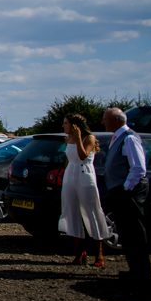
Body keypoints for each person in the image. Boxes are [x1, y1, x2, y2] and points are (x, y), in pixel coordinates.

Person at [102, 107, 150, 285]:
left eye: (105, 119)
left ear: (116, 120)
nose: (103, 122)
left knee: (135, 232)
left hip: (128, 191)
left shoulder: (129, 138)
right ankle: (135, 270)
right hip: (120, 190)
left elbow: (138, 167)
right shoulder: (118, 137)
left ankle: (142, 273)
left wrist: (126, 188)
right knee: (127, 232)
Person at [58, 114, 109, 268]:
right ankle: (79, 252)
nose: (63, 126)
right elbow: (69, 159)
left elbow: (82, 156)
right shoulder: (68, 139)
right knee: (71, 212)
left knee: (91, 212)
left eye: (66, 123)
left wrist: (79, 137)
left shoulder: (89, 138)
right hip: (71, 176)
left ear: (75, 125)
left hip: (85, 176)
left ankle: (99, 253)